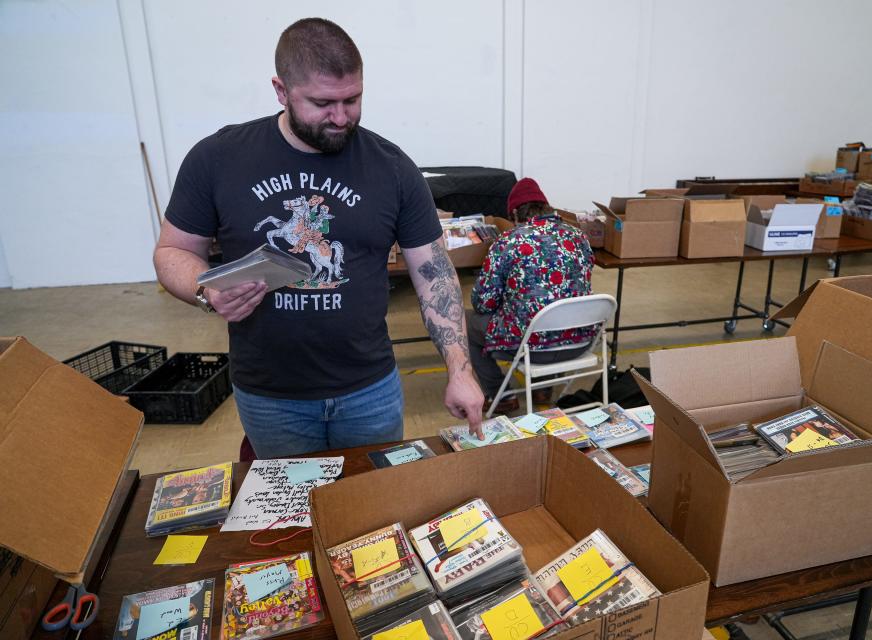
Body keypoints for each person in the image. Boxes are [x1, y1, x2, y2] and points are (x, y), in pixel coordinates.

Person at [153, 18, 484, 457]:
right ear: (280, 90)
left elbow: (433, 274)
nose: (342, 116)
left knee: (372, 506)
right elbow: (172, 251)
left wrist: (460, 370)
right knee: (293, 516)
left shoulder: (392, 167)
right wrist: (205, 291)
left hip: (370, 390)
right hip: (270, 396)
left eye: (353, 99)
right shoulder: (218, 158)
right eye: (323, 102)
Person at [468, 178, 596, 412]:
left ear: (515, 212)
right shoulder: (579, 237)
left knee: (466, 322)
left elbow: (484, 303)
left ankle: (502, 395)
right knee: (556, 310)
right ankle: (542, 388)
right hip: (579, 342)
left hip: (530, 348)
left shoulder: (508, 241)